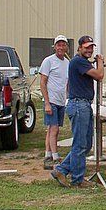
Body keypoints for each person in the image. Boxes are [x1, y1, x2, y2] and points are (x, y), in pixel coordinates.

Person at [51, 35, 104, 189]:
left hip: (84, 105)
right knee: (80, 145)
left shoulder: (82, 62)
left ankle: (61, 170)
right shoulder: (78, 61)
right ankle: (78, 180)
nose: (90, 50)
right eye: (86, 47)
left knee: (86, 144)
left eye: (91, 47)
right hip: (79, 105)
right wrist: (100, 62)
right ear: (79, 48)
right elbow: (99, 75)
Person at [38, 35, 70, 169]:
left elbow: (67, 83)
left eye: (63, 45)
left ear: (66, 47)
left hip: (61, 101)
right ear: (55, 47)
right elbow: (43, 82)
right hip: (51, 101)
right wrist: (46, 102)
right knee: (54, 129)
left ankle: (47, 155)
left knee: (52, 129)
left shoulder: (67, 62)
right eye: (58, 45)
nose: (61, 47)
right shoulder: (48, 61)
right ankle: (56, 157)